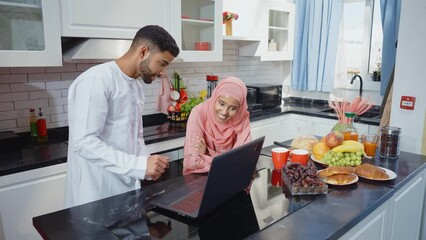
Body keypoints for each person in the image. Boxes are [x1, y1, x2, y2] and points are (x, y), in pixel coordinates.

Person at [64, 25, 180, 207]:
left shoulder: (136, 87)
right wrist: (140, 166)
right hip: (97, 192)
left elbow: (136, 137)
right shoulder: (96, 80)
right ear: (143, 52)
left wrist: (147, 164)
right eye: (162, 63)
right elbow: (84, 143)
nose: (162, 72)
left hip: (127, 186)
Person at [183, 76, 252, 175]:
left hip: (231, 177)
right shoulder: (199, 113)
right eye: (222, 104)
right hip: (201, 177)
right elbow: (193, 162)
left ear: (239, 109)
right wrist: (227, 161)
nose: (224, 112)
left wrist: (207, 153)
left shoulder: (242, 118)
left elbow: (243, 159)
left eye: (232, 108)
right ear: (215, 97)